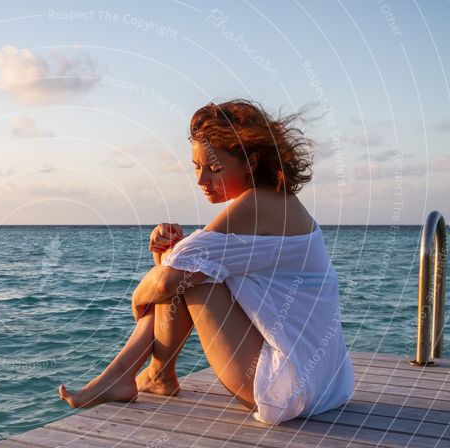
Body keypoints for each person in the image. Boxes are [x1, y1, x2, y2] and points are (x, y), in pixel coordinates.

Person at [59, 99, 354, 425]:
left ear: (251, 163)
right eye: (196, 167)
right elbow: (178, 271)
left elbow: (168, 283)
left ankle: (146, 375)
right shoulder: (278, 202)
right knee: (194, 271)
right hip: (327, 383)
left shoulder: (256, 204)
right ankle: (148, 376)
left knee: (191, 276)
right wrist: (167, 258)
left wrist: (139, 297)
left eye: (214, 169)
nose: (201, 180)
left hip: (288, 389)